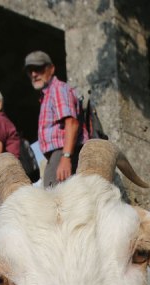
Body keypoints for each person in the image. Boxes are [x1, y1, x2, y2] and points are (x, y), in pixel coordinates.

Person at [24, 50, 88, 188]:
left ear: (51, 69)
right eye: (30, 71)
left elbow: (71, 123)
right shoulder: (47, 95)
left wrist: (65, 157)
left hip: (62, 153)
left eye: (38, 69)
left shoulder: (57, 89)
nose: (34, 74)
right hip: (57, 156)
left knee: (54, 201)